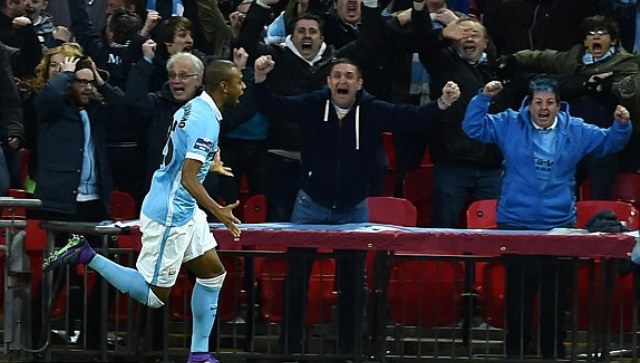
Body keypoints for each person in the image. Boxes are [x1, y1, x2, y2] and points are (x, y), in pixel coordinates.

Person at [253, 55, 461, 355]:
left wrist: (441, 103)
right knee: (296, 280)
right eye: (337, 75)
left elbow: (410, 118)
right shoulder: (313, 104)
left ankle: (351, 351)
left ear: (359, 83)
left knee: (354, 285)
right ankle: (290, 349)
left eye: (349, 76)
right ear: (328, 82)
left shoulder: (372, 109)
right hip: (310, 203)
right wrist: (259, 79)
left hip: (353, 208)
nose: (342, 81)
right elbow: (272, 106)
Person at [42, 58, 244, 363]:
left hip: (185, 210)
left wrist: (211, 162)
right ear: (224, 86)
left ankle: (199, 354)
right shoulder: (204, 118)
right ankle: (86, 254)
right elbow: (188, 177)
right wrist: (219, 210)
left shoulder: (196, 108)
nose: (244, 86)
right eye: (240, 81)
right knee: (152, 297)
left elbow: (185, 153)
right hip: (171, 214)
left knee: (213, 275)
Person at [462, 76, 632, 359]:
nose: (543, 108)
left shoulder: (575, 129)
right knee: (518, 296)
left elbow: (609, 143)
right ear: (529, 104)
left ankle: (553, 352)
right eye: (538, 102)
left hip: (559, 225)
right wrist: (483, 98)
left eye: (549, 103)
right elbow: (473, 127)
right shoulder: (509, 123)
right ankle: (515, 351)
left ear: (558, 105)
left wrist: (622, 124)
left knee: (555, 297)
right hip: (515, 223)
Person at [499, 15, 640, 199]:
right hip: (570, 141)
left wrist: (609, 87)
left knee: (600, 194)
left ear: (613, 40)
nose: (595, 37)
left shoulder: (627, 63)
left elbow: (632, 91)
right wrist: (515, 59)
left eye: (602, 33)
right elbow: (544, 57)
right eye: (591, 34)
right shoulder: (573, 57)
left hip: (602, 141)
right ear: (585, 41)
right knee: (561, 193)